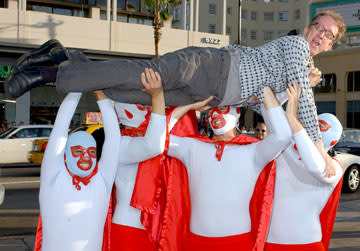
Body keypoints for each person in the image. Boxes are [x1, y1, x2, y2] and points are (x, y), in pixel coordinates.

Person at [5, 10, 345, 147]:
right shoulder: (298, 46)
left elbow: (270, 103)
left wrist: (301, 88)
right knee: (138, 74)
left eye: (328, 36)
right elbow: (306, 107)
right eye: (319, 28)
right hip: (211, 66)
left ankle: (63, 58)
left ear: (330, 45)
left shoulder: (299, 67)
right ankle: (50, 71)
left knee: (130, 93)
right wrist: (318, 145)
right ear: (308, 29)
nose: (320, 36)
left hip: (206, 96)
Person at [162, 85, 292, 250]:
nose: (215, 114)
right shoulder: (192, 146)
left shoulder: (253, 150)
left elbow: (283, 136)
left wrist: (263, 87)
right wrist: (189, 106)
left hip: (238, 243)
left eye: (222, 108)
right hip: (195, 243)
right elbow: (156, 140)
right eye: (211, 110)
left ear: (237, 112)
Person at [37, 90, 121, 251]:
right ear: (66, 154)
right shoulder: (53, 176)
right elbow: (60, 129)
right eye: (78, 151)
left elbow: (113, 140)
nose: (85, 157)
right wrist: (76, 89)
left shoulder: (102, 180)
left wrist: (102, 99)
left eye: (91, 151)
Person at [263, 83, 343, 251]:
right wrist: (298, 87)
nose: (312, 129)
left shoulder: (334, 168)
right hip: (271, 242)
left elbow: (315, 167)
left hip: (307, 244)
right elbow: (269, 110)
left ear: (333, 141)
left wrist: (292, 117)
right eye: (313, 123)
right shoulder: (287, 148)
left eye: (320, 126)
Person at [110, 68, 166, 251]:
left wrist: (188, 107)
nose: (146, 106)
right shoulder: (121, 142)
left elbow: (161, 135)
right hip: (129, 228)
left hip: (150, 227)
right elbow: (152, 146)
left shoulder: (137, 138)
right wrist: (157, 96)